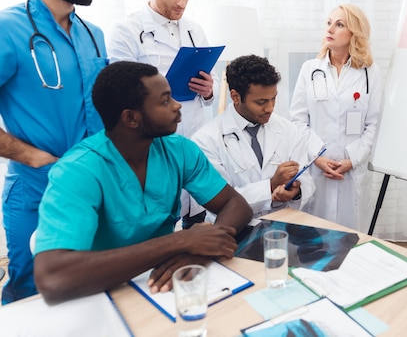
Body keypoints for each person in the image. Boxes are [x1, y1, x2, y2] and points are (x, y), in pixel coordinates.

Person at [32, 61, 253, 305]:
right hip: (100, 292)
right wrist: (179, 241)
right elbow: (52, 279)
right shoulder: (78, 171)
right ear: (131, 118)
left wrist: (202, 250)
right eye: (165, 101)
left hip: (161, 286)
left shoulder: (179, 150)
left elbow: (236, 204)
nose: (178, 106)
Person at [0, 0, 107, 304]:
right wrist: (32, 157)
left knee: (89, 294)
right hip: (36, 190)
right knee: (33, 298)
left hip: (92, 188)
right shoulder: (7, 28)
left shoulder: (93, 33)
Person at [107, 0, 218, 229]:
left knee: (197, 221)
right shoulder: (126, 31)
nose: (181, 3)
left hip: (193, 140)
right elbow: (120, 96)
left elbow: (208, 91)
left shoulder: (194, 30)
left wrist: (208, 91)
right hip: (153, 145)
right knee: (161, 229)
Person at [290, 4, 383, 232]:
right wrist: (318, 158)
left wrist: (352, 160)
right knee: (314, 236)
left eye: (339, 24)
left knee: (350, 237)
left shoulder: (371, 73)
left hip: (351, 171)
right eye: (329, 23)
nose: (330, 29)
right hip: (316, 167)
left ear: (354, 33)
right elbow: (298, 121)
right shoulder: (310, 69)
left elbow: (373, 124)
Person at [192, 55, 314, 217]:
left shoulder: (289, 130)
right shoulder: (206, 140)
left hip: (284, 227)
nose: (270, 108)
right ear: (235, 97)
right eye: (261, 102)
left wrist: (296, 191)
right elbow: (219, 201)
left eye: (273, 99)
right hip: (234, 231)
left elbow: (306, 179)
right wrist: (270, 186)